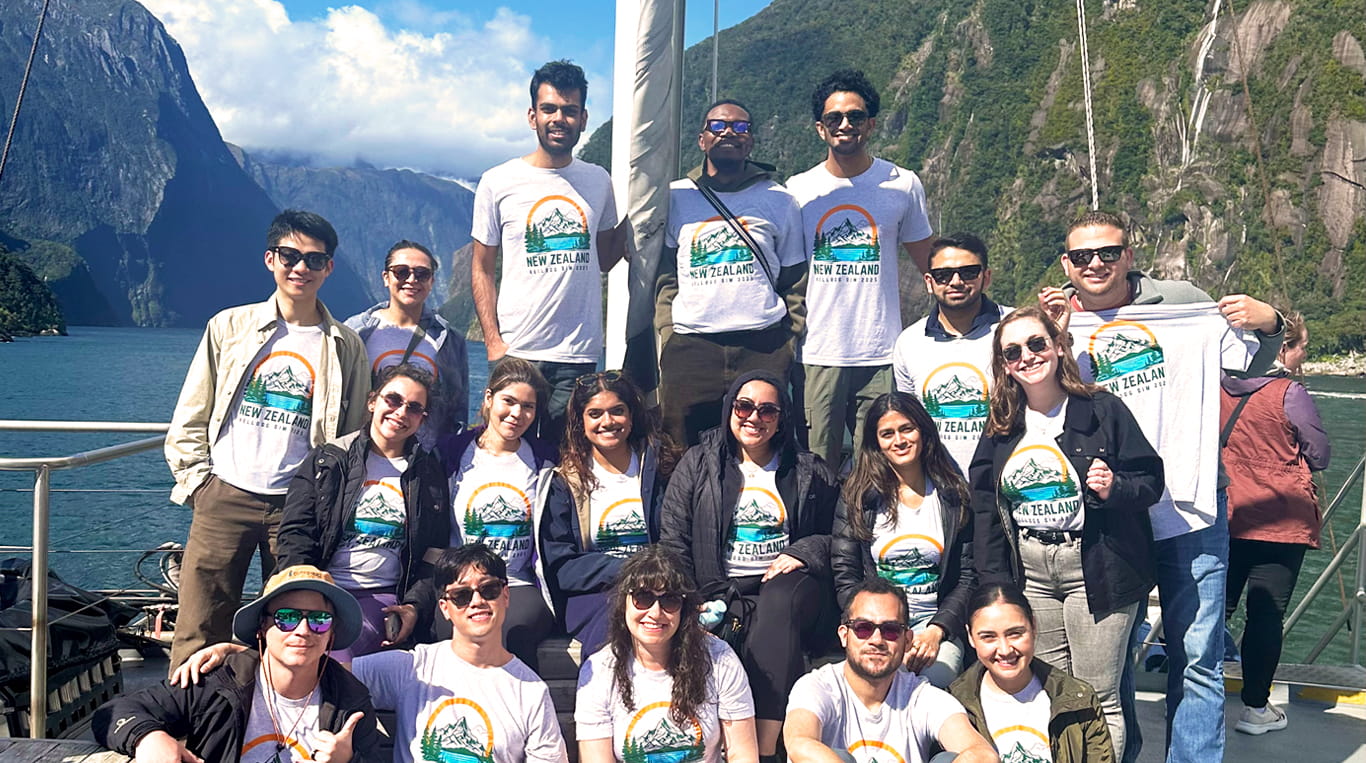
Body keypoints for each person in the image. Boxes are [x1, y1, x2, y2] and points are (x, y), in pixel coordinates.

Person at [1057, 210, 1284, 763]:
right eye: (1082, 256)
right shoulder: (1059, 323)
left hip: (1190, 507)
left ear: (1129, 255)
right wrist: (1054, 332)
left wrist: (1270, 321)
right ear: (1066, 264)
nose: (1096, 264)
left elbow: (1254, 359)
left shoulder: (1187, 307)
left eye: (1108, 253)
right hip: (1109, 513)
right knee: (1109, 660)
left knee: (1198, 655)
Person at [164, 209, 370, 669]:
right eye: (290, 256)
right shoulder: (229, 327)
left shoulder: (345, 345)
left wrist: (327, 500)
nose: (301, 268)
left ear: (329, 268)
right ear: (270, 259)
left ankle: (268, 726)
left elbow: (351, 436)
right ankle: (184, 726)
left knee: (291, 629)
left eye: (314, 260)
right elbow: (192, 409)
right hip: (225, 495)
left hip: (297, 506)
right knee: (200, 625)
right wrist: (200, 482)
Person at [970, 305, 1163, 759]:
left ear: (1058, 347)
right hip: (1032, 570)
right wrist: (995, 584)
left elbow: (1150, 480)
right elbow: (986, 509)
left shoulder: (1102, 409)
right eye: (1012, 351)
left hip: (1097, 563)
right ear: (1003, 364)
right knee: (1052, 691)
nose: (1027, 356)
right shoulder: (1001, 427)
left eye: (1037, 344)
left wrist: (1114, 488)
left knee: (1098, 696)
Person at [175, 547, 567, 763]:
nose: (477, 602)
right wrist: (243, 652)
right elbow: (312, 664)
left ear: (507, 595)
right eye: (462, 595)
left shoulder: (530, 690)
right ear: (445, 608)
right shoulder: (413, 667)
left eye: (489, 590)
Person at [659, 369, 839, 762]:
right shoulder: (698, 463)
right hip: (718, 589)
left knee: (777, 601)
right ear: (729, 410)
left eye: (767, 410)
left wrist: (803, 551)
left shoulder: (809, 469)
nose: (753, 418)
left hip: (790, 585)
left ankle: (760, 746)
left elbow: (839, 535)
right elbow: (673, 539)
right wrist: (690, 597)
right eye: (744, 406)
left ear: (782, 419)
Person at [785, 70, 934, 468]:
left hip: (882, 351)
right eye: (834, 118)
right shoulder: (797, 190)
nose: (845, 125)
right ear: (821, 128)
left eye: (855, 116)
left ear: (871, 124)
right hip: (817, 352)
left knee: (886, 465)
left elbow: (931, 266)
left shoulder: (903, 184)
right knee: (817, 466)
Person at [471, 59, 625, 443]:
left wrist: (645, 214)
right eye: (550, 109)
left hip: (578, 357)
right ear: (532, 115)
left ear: (584, 117)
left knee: (569, 463)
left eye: (570, 111)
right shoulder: (498, 182)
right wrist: (494, 343)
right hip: (518, 352)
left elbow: (604, 259)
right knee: (504, 456)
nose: (560, 118)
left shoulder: (598, 180)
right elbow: (481, 267)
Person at [94, 565, 381, 762]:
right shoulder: (216, 681)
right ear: (262, 627)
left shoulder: (350, 700)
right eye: (287, 618)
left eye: (319, 620)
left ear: (331, 633)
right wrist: (149, 737)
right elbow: (114, 711)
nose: (303, 630)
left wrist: (349, 759)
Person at [655, 99, 807, 448]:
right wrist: (668, 331)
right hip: (691, 347)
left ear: (750, 140)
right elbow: (666, 278)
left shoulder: (779, 200)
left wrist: (788, 341)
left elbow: (794, 280)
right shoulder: (675, 197)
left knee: (762, 450)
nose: (729, 133)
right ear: (702, 138)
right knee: (679, 451)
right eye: (718, 126)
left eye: (740, 127)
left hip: (762, 345)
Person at [275, 364, 451, 662]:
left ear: (422, 419)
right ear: (373, 401)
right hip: (321, 589)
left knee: (333, 654)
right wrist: (310, 593)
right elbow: (295, 534)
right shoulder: (329, 460)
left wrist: (413, 606)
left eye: (413, 408)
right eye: (392, 400)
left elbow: (433, 554)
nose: (400, 412)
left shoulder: (429, 475)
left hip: (380, 598)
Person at [1220, 311, 1331, 735]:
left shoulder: (1219, 387)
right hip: (1280, 521)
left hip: (1227, 513)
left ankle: (1197, 693)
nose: (1304, 355)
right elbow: (1319, 454)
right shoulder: (1290, 392)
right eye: (1302, 346)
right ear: (1283, 349)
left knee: (1217, 609)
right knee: (1265, 614)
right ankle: (1255, 709)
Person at [832, 391, 975, 688]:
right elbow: (846, 576)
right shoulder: (857, 496)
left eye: (907, 429)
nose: (899, 440)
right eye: (887, 433)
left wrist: (937, 630)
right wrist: (882, 631)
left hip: (933, 627)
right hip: (874, 625)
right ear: (876, 443)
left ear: (923, 432)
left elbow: (967, 576)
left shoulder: (952, 494)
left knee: (934, 682)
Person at [784, 577, 999, 763]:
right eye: (863, 628)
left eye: (890, 630)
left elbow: (983, 755)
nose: (876, 640)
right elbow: (799, 744)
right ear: (844, 635)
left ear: (907, 641)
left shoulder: (920, 696)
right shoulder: (818, 686)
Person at [574, 546, 758, 763]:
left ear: (684, 608)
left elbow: (742, 754)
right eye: (643, 598)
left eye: (670, 600)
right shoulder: (599, 672)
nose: (655, 613)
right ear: (623, 603)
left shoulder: (720, 659)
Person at [540, 370, 680, 653]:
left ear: (632, 415)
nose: (608, 422)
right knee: (614, 628)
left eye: (617, 411)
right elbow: (561, 567)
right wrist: (630, 569)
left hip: (659, 585)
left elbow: (676, 539)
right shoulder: (564, 480)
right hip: (594, 594)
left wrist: (654, 576)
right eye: (595, 414)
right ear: (581, 420)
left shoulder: (660, 465)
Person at [435, 356, 557, 668]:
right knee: (456, 632)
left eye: (528, 406)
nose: (517, 414)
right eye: (509, 401)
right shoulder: (452, 453)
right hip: (461, 583)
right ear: (488, 399)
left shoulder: (544, 460)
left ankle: (517, 713)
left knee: (509, 633)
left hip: (517, 583)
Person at [949, 583, 1114, 762]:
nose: (1005, 650)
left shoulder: (1079, 699)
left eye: (1015, 634)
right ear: (970, 637)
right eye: (988, 637)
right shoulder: (952, 704)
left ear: (1033, 626)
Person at [892, 234, 1012, 476]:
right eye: (943, 275)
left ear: (986, 277)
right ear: (929, 281)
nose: (956, 281)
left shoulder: (1015, 328)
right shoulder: (909, 342)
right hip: (939, 484)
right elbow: (909, 419)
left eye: (968, 272)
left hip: (1004, 478)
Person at [345, 240, 470, 442]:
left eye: (422, 274)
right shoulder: (355, 331)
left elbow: (458, 409)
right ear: (386, 277)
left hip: (423, 457)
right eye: (401, 272)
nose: (412, 280)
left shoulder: (450, 340)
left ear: (432, 282)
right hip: (361, 451)